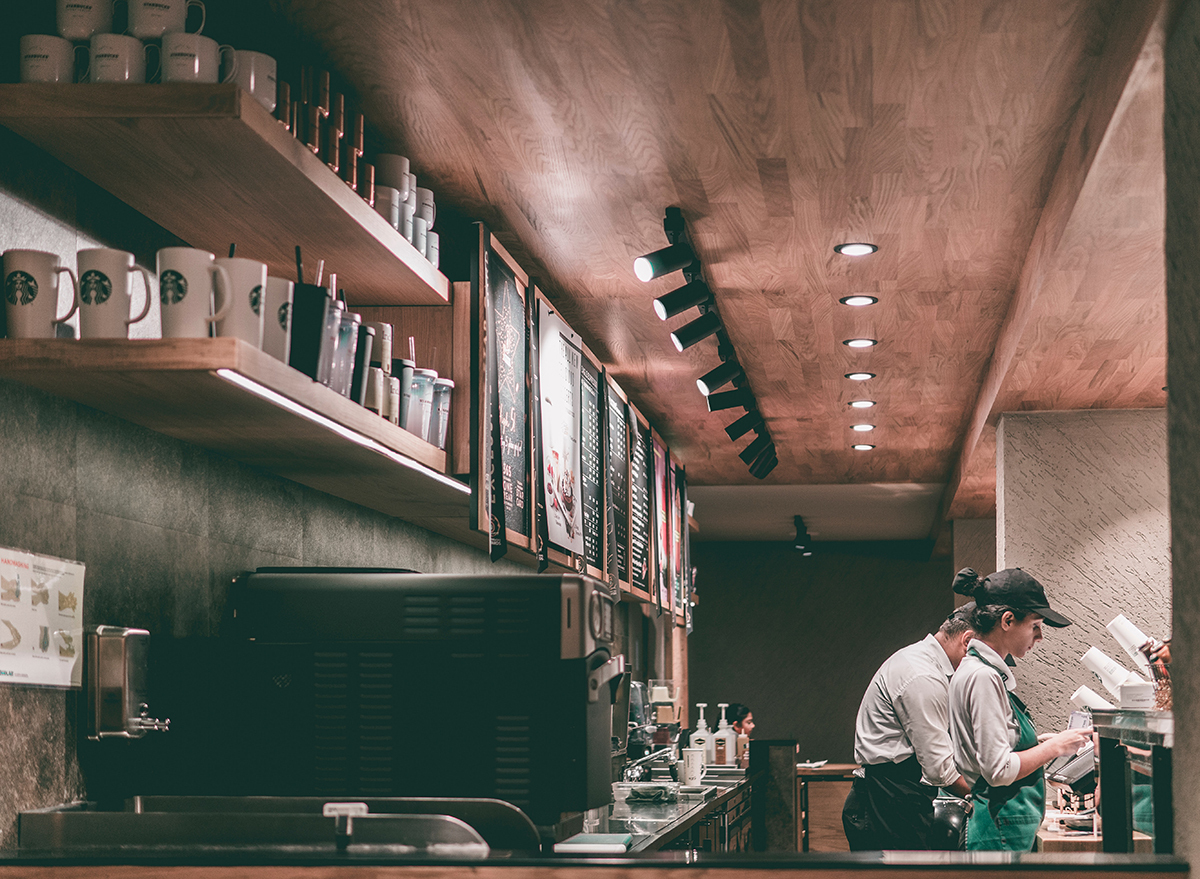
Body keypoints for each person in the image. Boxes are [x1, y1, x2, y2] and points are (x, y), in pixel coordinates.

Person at [949, 568, 1093, 852]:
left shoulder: (975, 669)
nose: (1040, 637)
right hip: (999, 830)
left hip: (1000, 828)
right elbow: (998, 770)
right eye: (1035, 625)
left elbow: (989, 747)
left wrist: (1036, 743)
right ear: (1007, 620)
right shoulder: (983, 677)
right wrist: (1055, 748)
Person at [841, 603, 977, 850]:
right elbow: (940, 770)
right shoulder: (922, 675)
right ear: (967, 641)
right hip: (888, 803)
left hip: (893, 797)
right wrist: (987, 796)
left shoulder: (922, 662)